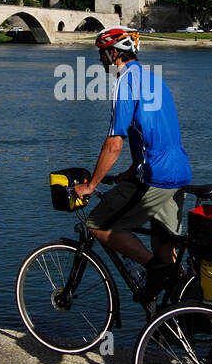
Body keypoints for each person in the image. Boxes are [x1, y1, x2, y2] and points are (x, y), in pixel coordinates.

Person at [72, 27, 192, 305]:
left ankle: (156, 272)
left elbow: (115, 143)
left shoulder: (124, 82)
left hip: (155, 176)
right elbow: (154, 133)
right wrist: (129, 171)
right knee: (165, 246)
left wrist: (91, 184)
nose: (101, 61)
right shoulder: (155, 80)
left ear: (113, 53)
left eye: (102, 55)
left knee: (98, 224)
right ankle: (180, 313)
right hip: (178, 171)